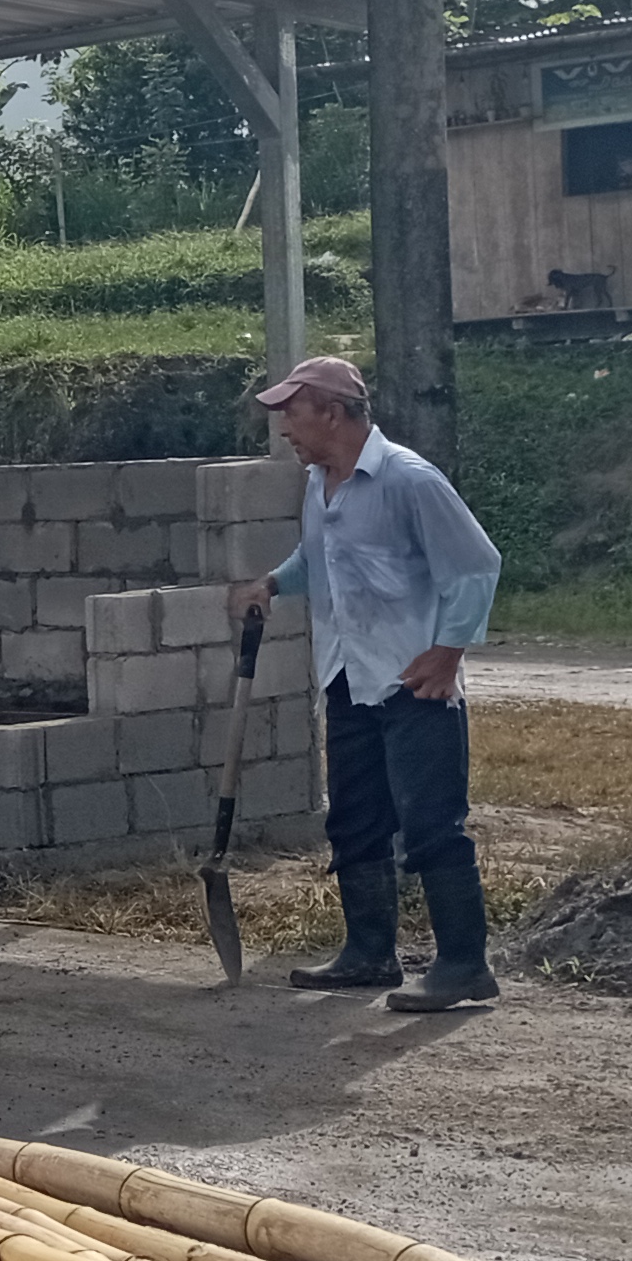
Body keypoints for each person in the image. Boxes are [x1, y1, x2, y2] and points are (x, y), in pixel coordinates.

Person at [226, 356, 507, 1012]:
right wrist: (274, 583)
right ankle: (369, 953)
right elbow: (317, 556)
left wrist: (447, 654)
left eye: (291, 414)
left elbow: (475, 567)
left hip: (414, 683)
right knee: (354, 821)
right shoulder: (318, 484)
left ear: (332, 412)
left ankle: (465, 964)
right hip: (347, 676)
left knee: (431, 824)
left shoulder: (409, 480)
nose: (283, 430)